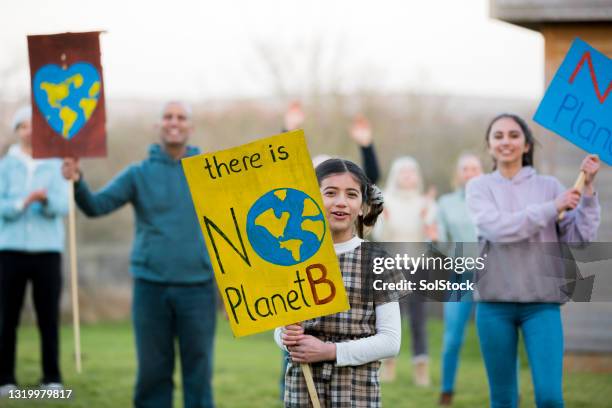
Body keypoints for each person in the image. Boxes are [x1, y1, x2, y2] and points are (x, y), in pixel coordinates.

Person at [61, 102, 217, 408]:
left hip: (198, 288)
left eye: (181, 117)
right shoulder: (137, 174)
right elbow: (95, 206)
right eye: (168, 117)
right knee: (152, 373)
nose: (174, 122)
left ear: (191, 127)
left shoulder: (210, 171)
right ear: (157, 126)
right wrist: (77, 180)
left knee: (198, 374)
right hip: (151, 287)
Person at [466, 113, 601, 408]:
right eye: (498, 136)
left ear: (526, 145)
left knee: (551, 398)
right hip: (494, 305)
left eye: (514, 135)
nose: (506, 142)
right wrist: (552, 208)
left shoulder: (550, 186)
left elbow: (579, 239)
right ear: (489, 146)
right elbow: (498, 229)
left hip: (542, 304)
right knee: (503, 399)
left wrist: (588, 189)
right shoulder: (479, 188)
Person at [275, 158, 401, 407]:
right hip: (303, 387)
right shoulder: (294, 256)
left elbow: (390, 341)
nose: (340, 202)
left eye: (351, 194)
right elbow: (279, 329)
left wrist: (329, 351)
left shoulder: (378, 260)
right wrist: (285, 336)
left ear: (363, 206)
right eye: (330, 193)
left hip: (356, 391)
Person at [0, 106, 69, 396]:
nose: (29, 130)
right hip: (10, 251)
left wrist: (45, 201)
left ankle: (51, 378)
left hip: (47, 251)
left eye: (34, 125)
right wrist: (22, 203)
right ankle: (5, 379)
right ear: (17, 131)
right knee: (6, 317)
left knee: (48, 316)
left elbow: (64, 206)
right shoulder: (5, 166)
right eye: (23, 126)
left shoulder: (56, 165)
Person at [373, 156, 436, 385]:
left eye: (412, 171)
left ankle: (421, 368)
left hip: (419, 266)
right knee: (391, 318)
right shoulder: (385, 200)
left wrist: (426, 219)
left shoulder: (426, 202)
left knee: (418, 320)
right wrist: (386, 220)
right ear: (396, 175)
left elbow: (431, 238)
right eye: (403, 171)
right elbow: (380, 236)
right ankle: (388, 364)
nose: (408, 175)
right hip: (391, 267)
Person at [436, 153, 483, 405]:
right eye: (465, 168)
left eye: (475, 168)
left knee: (500, 336)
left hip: (492, 276)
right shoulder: (445, 203)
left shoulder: (494, 200)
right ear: (458, 174)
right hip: (458, 276)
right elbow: (444, 245)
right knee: (452, 337)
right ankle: (446, 390)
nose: (470, 173)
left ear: (482, 172)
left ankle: (509, 389)